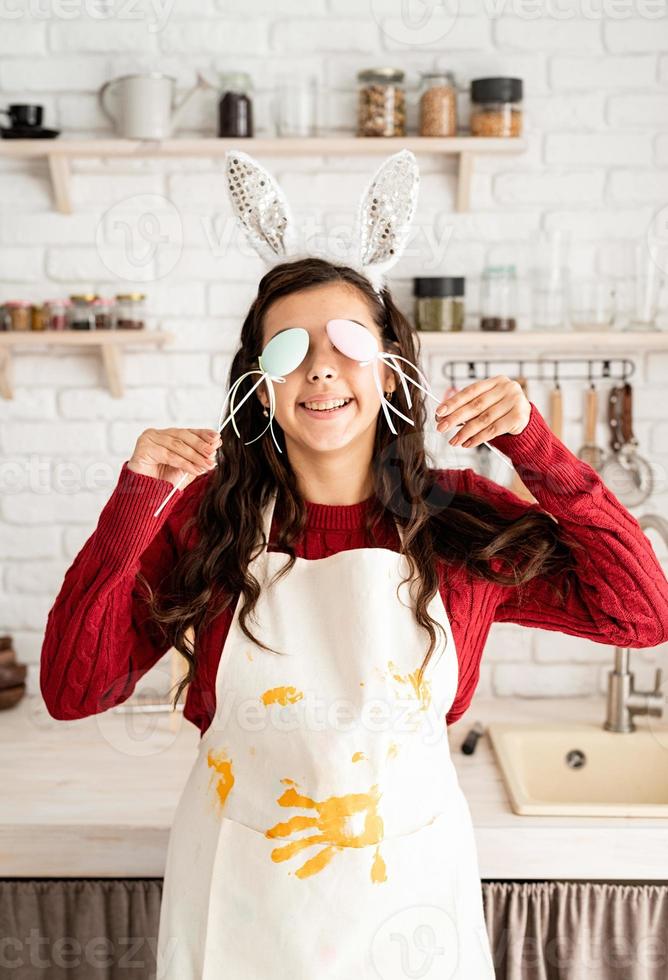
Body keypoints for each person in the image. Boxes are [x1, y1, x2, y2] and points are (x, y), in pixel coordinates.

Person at [40, 156, 668, 978]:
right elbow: (72, 689)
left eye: (348, 344)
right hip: (243, 904)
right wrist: (137, 505)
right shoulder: (209, 520)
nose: (322, 368)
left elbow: (640, 611)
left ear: (390, 367)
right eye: (290, 350)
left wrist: (536, 448)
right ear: (259, 387)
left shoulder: (459, 517)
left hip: (405, 903)